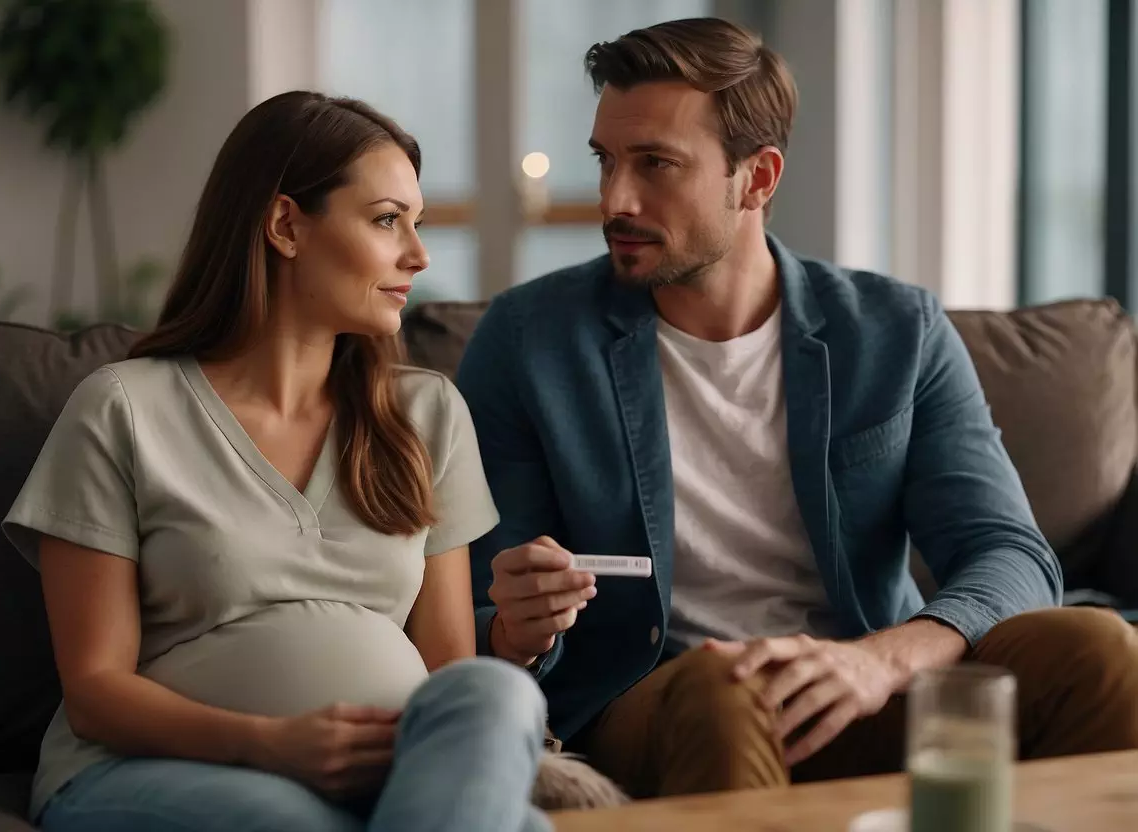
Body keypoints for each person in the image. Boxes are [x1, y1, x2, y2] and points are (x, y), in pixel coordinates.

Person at [457, 17, 1138, 800]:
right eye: (605, 161)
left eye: (655, 165)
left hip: (859, 682)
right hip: (663, 699)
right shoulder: (525, 341)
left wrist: (879, 659)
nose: (615, 197)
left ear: (756, 178)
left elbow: (1010, 554)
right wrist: (516, 623)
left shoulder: (893, 330)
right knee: (724, 689)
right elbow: (476, 606)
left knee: (1093, 646)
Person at [3, 91, 550, 832]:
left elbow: (448, 672)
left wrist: (518, 640)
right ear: (286, 225)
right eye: (387, 220)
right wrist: (272, 745)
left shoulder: (426, 416)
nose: (418, 256)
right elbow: (96, 689)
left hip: (397, 780)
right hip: (151, 771)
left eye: (416, 224)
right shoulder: (122, 409)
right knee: (294, 822)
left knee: (500, 695)